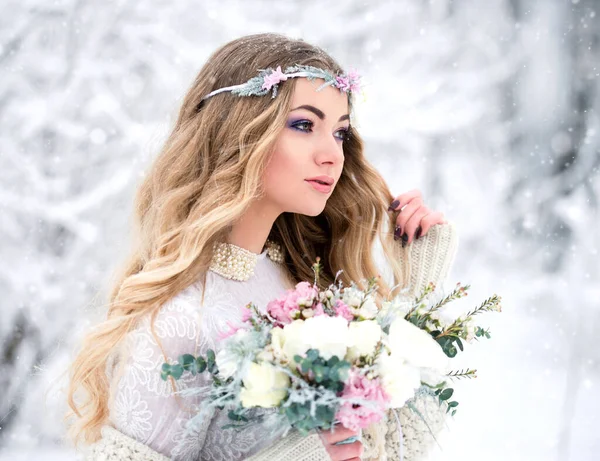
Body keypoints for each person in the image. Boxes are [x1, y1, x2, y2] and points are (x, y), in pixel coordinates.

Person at [65, 33, 459, 461]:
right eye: (304, 125)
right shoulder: (178, 323)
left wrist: (424, 283)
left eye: (340, 133)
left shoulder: (308, 285)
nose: (332, 154)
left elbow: (400, 446)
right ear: (240, 134)